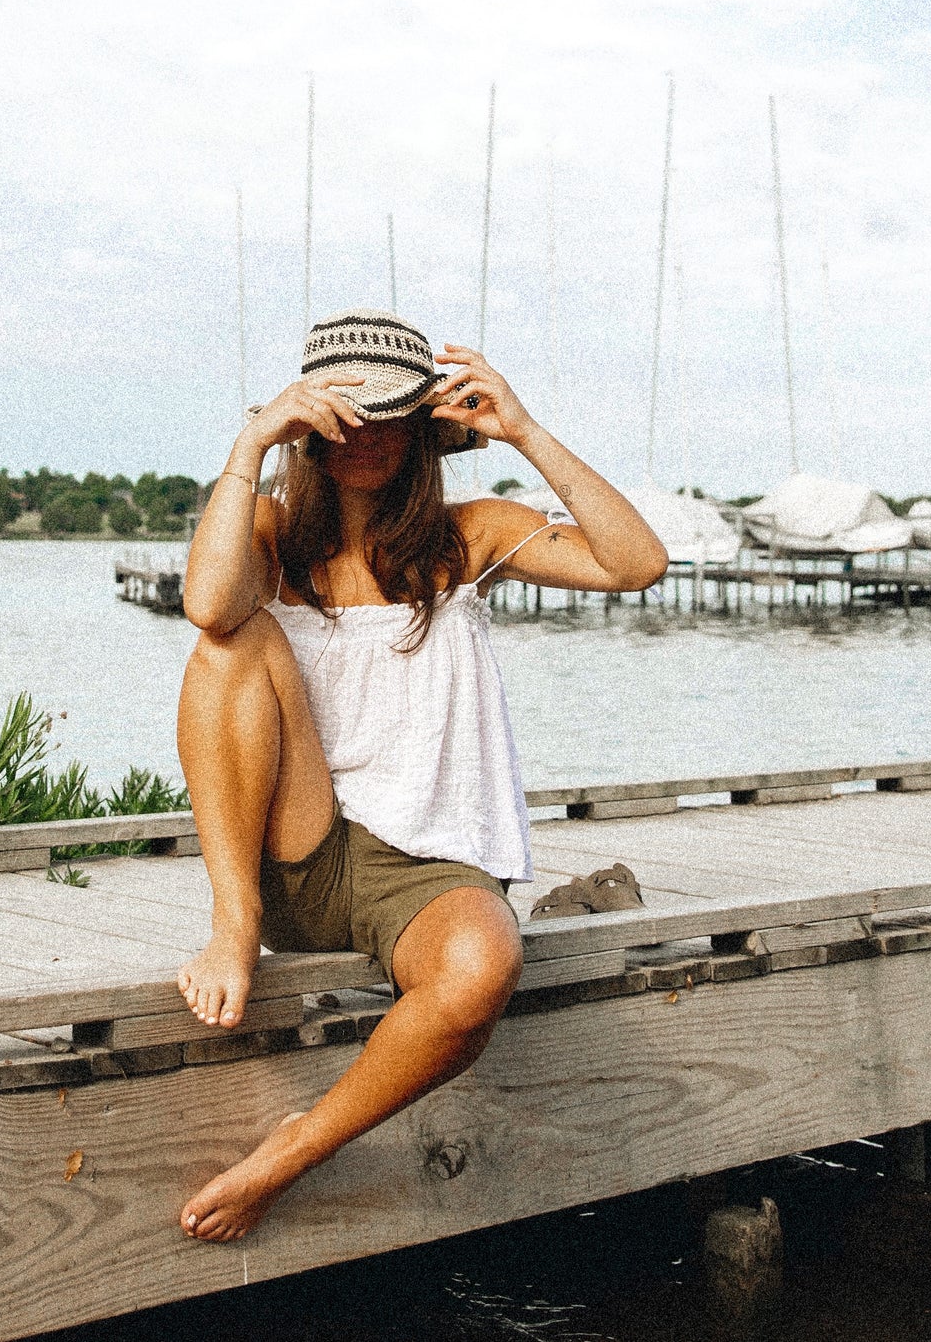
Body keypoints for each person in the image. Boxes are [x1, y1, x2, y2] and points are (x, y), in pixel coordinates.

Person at [175, 308, 667, 1240]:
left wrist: (523, 428)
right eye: (341, 414)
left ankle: (291, 1149)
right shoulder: (273, 530)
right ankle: (232, 921)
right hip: (298, 846)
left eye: (387, 413)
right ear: (308, 428)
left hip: (423, 864)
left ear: (423, 429)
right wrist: (249, 442)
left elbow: (636, 563)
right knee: (228, 642)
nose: (363, 435)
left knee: (484, 968)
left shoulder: (468, 537)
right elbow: (207, 601)